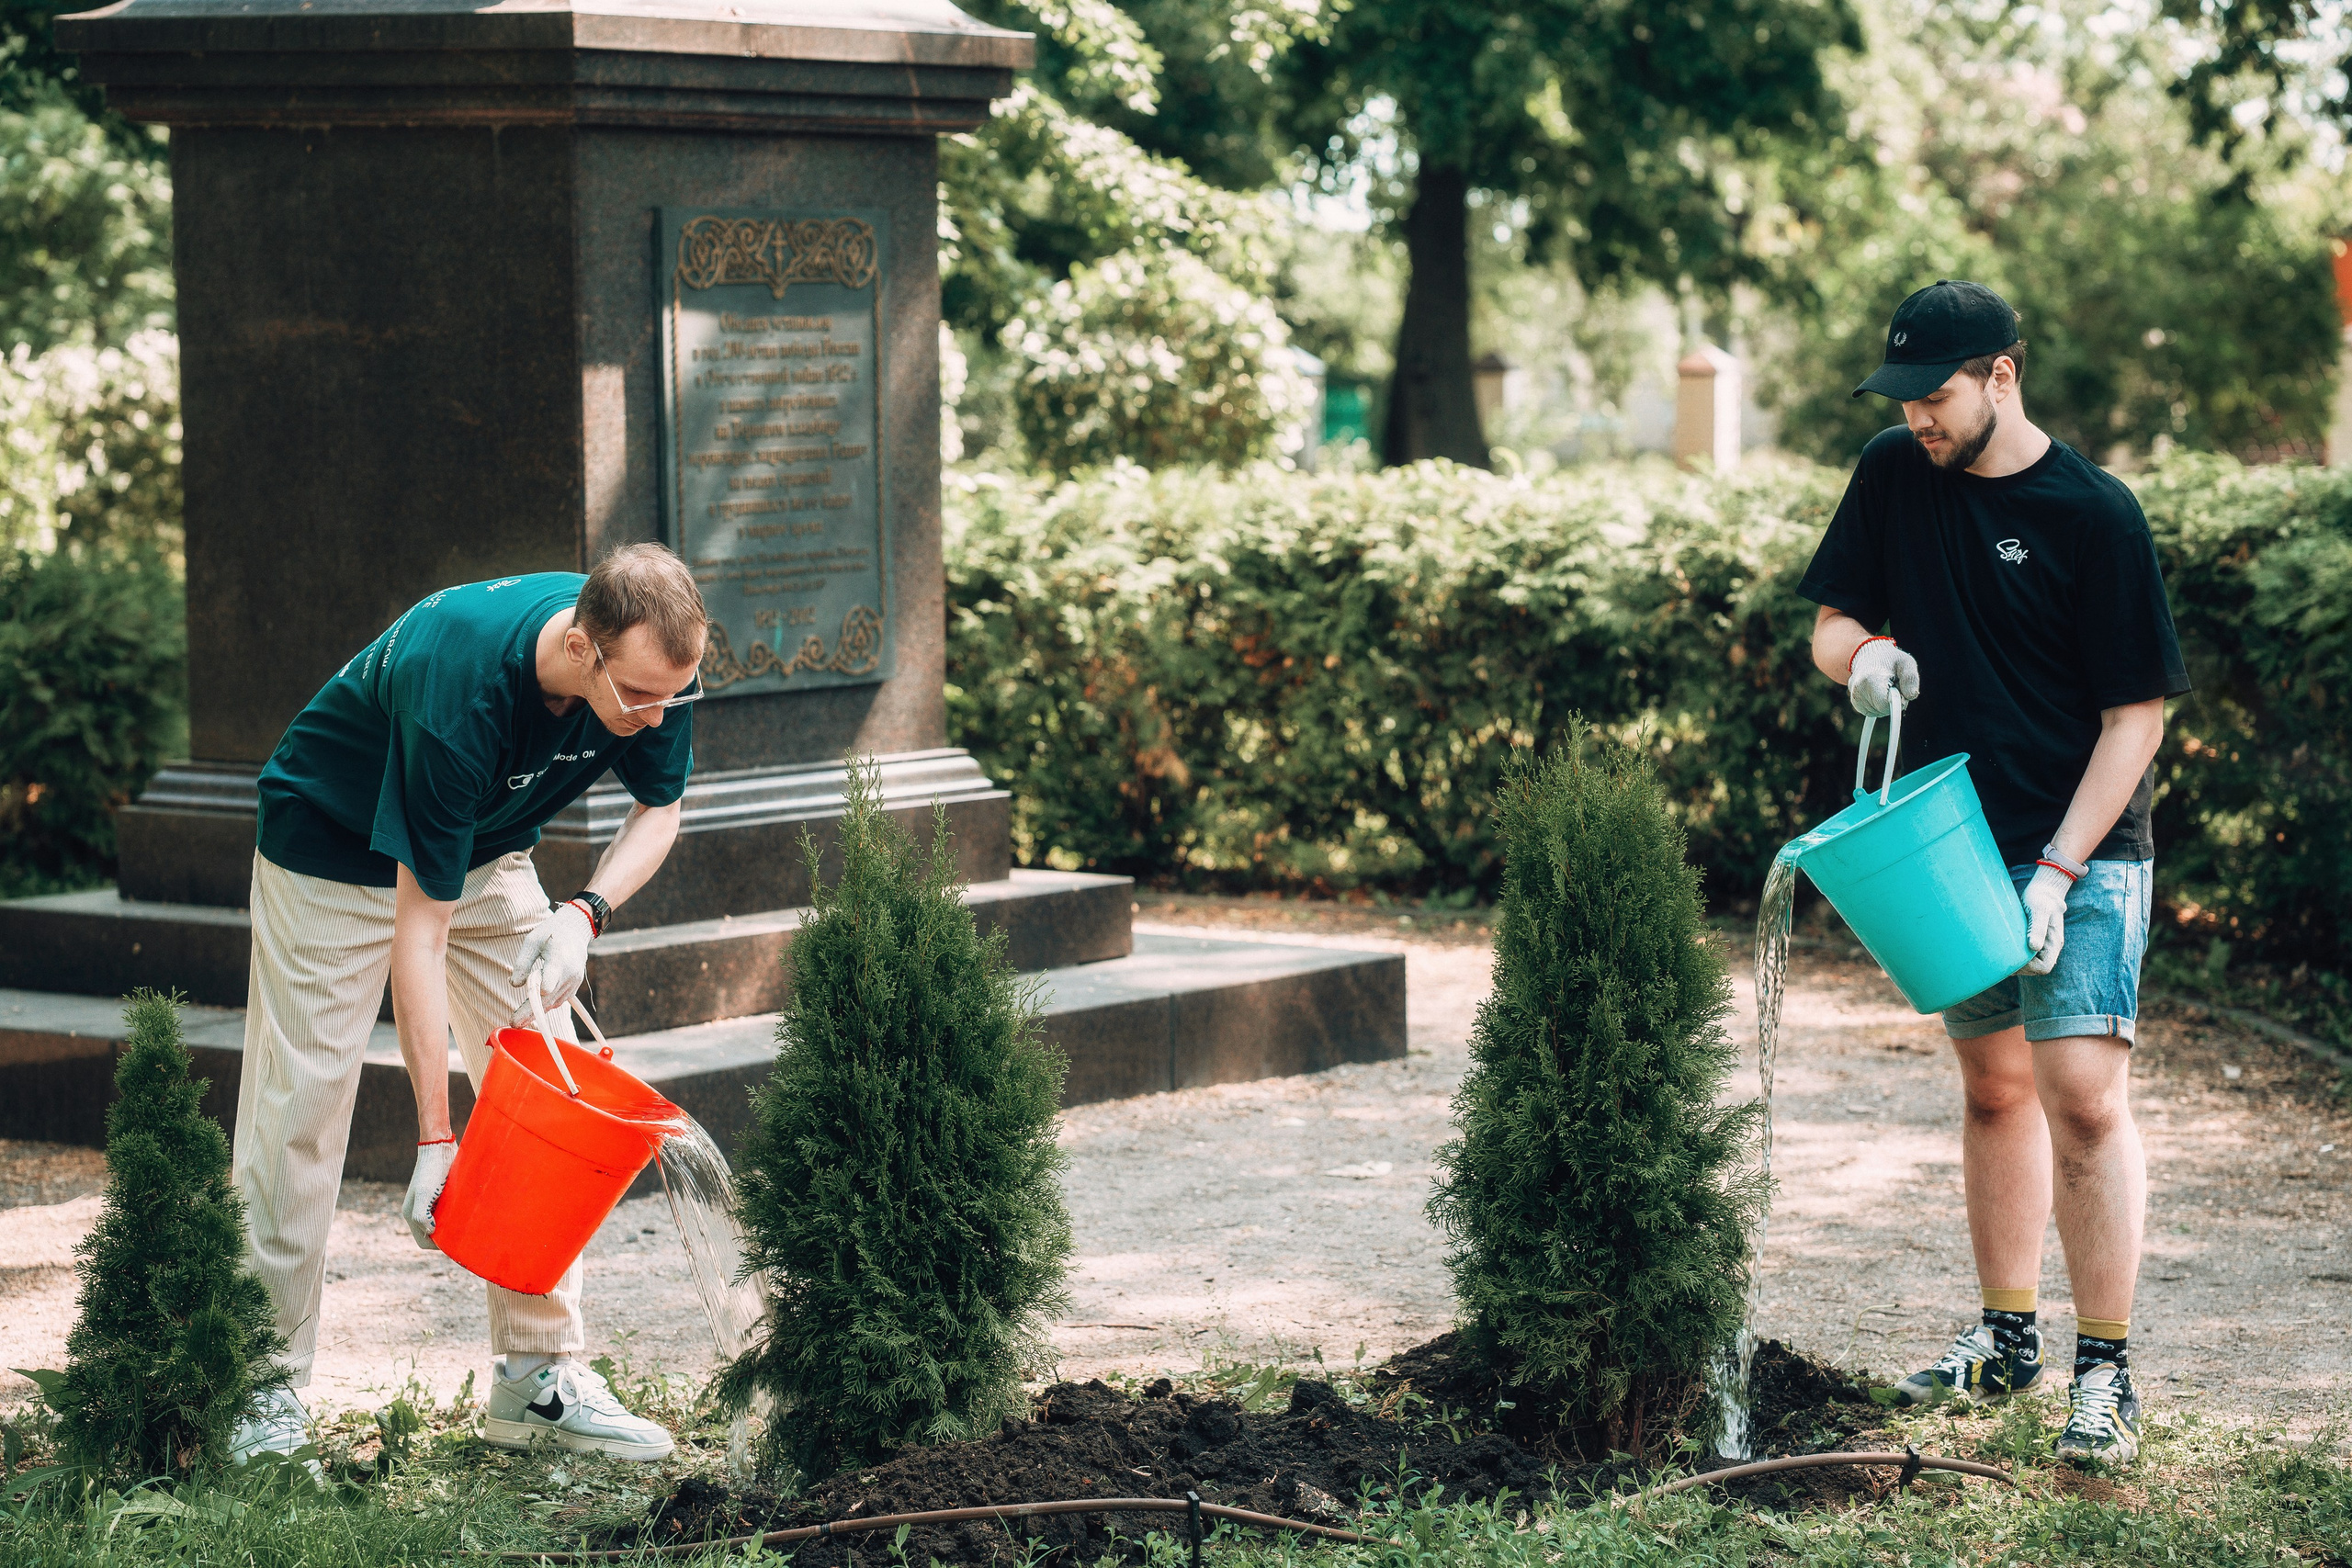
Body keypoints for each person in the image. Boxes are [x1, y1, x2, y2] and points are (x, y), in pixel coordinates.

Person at [1797, 280, 2189, 1467]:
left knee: (2081, 1090)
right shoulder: (1889, 472)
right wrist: (1862, 659)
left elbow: (2137, 717)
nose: (1917, 414)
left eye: (1937, 392)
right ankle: (2008, 1335)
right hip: (1947, 840)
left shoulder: (2095, 515)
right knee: (1993, 1088)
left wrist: (2062, 868)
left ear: (2002, 375)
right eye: (1904, 395)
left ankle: (2105, 1372)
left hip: (2083, 842)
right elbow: (1831, 623)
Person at [226, 544, 709, 1465]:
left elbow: (662, 807)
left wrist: (583, 916)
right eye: (640, 697)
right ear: (580, 650)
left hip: (487, 857)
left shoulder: (656, 662)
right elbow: (421, 933)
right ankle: (260, 1390)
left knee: (550, 1093)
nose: (656, 719)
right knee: (301, 1108)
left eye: (670, 699)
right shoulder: (463, 690)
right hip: (329, 850)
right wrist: (436, 1139)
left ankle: (539, 1380)